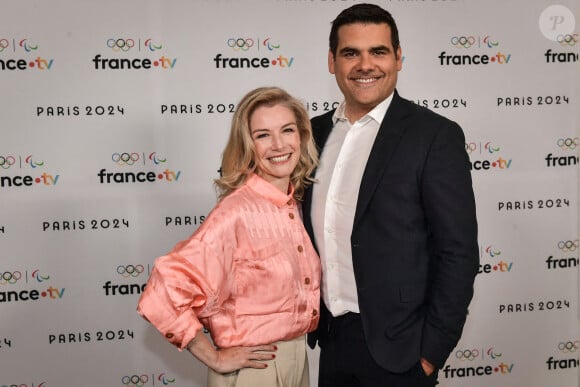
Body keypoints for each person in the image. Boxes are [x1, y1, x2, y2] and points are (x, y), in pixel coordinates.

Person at [302, 4, 479, 387]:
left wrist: (431, 354)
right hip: (329, 343)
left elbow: (458, 252)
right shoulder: (309, 134)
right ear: (332, 61)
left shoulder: (434, 136)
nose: (366, 64)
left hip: (402, 352)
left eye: (378, 51)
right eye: (351, 53)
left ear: (398, 58)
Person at [137, 86, 320, 387]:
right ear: (248, 144)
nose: (278, 144)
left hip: (296, 362)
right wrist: (214, 357)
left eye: (287, 130)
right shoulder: (236, 211)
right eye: (263, 135)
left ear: (301, 136)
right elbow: (163, 292)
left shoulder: (295, 205)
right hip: (255, 372)